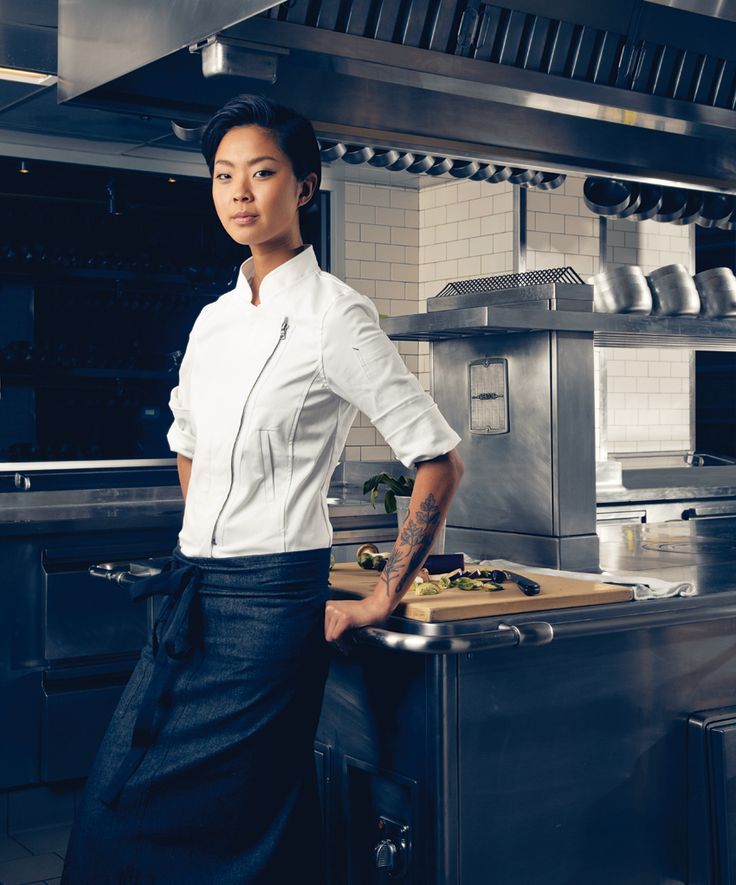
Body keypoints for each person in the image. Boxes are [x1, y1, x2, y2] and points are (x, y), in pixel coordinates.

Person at [61, 93, 464, 884]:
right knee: (117, 799)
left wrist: (383, 596)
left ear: (305, 187)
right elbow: (187, 443)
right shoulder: (212, 320)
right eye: (223, 176)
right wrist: (210, 526)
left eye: (262, 172)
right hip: (194, 597)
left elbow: (437, 457)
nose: (240, 192)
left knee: (237, 818)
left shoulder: (335, 316)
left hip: (272, 606)